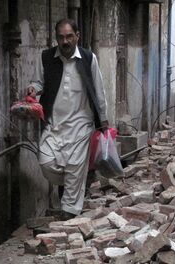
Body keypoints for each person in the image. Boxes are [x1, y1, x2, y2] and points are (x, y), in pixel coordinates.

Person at [27, 18, 108, 220]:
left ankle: (69, 215)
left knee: (74, 166)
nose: (65, 41)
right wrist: (33, 89)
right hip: (54, 124)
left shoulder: (89, 58)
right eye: (61, 37)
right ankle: (76, 181)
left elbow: (99, 90)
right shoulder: (46, 57)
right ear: (56, 38)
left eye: (69, 36)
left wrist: (103, 121)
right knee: (46, 162)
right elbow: (38, 82)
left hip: (81, 123)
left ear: (77, 36)